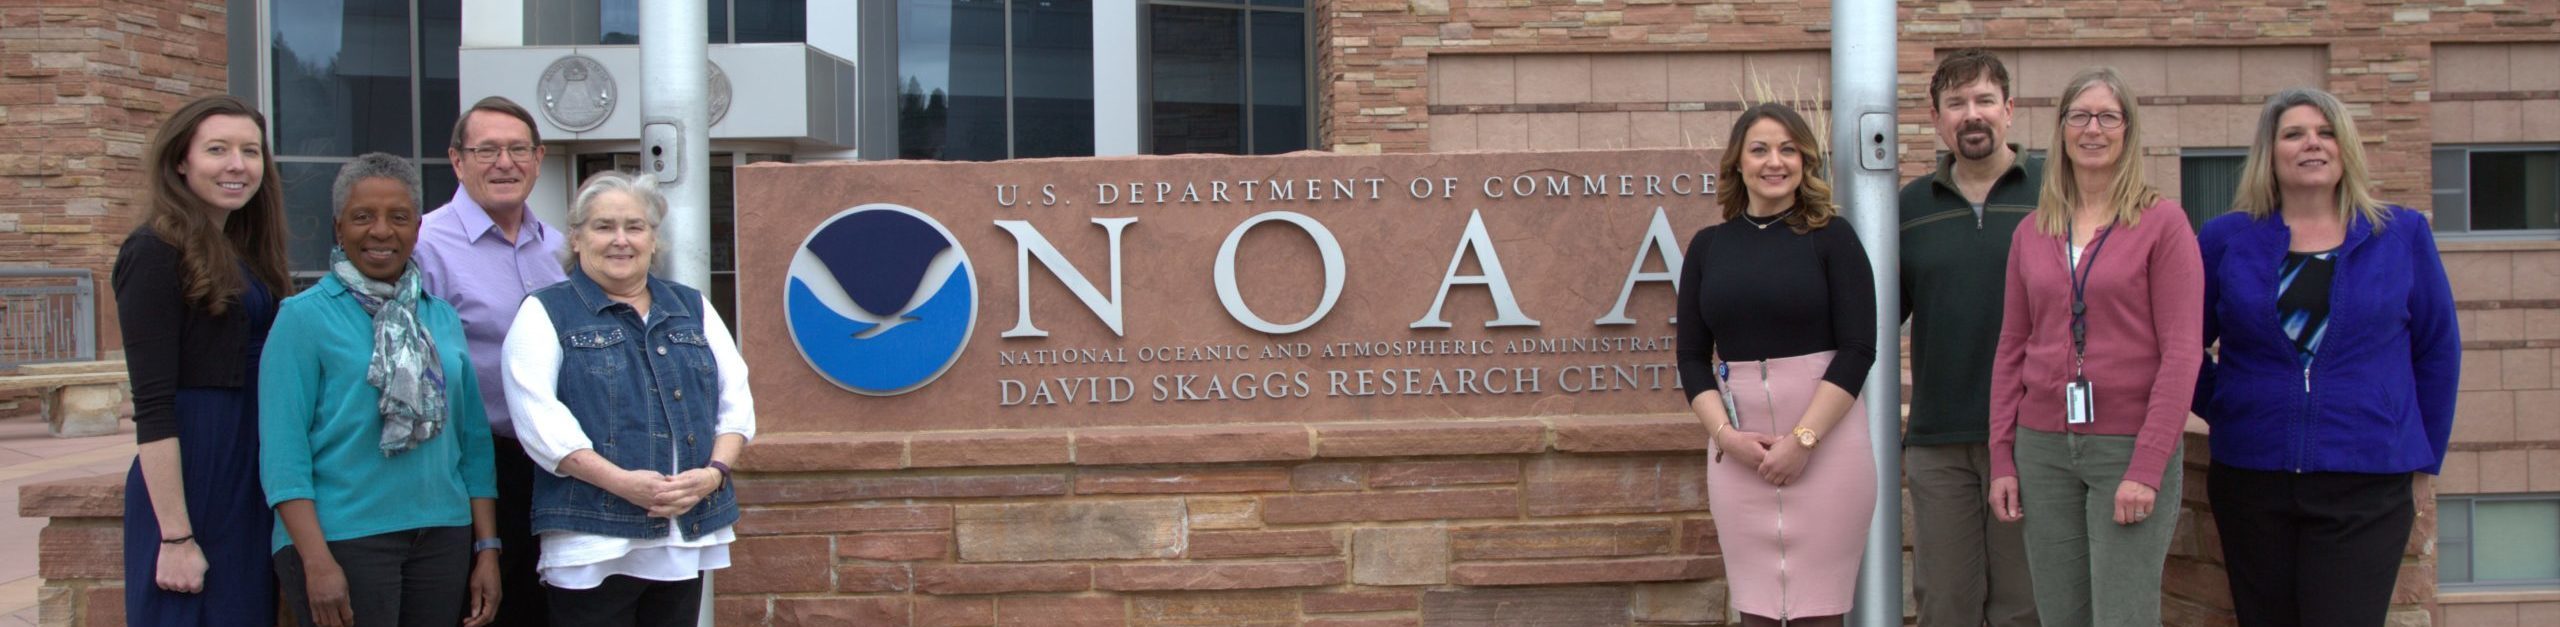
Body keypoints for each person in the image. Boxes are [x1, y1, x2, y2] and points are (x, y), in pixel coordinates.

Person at [2195, 87, 2460, 627]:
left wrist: (2424, 457)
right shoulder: (2227, 239)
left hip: (2367, 481)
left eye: (2326, 132)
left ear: (2346, 149)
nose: (2312, 144)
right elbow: (2179, 344)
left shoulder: (2400, 234)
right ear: (2271, 152)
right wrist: (2225, 405)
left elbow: (2437, 349)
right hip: (2252, 477)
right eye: (2294, 133)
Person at [1985, 67, 2203, 627]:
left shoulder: (2162, 224)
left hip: (2125, 447)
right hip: (2043, 449)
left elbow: (2183, 353)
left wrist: (2148, 464)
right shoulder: (2033, 231)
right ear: (2061, 130)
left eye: (2108, 117)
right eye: (2079, 116)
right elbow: (2012, 347)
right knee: (2060, 614)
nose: (2093, 129)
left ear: (2128, 130)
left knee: (2123, 616)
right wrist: (2003, 456)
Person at [259, 153, 502, 627]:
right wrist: (315, 561)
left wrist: (487, 548)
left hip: (442, 537)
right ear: (338, 228)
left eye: (398, 217)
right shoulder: (303, 318)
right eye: (362, 217)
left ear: (417, 229)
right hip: (342, 540)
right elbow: (283, 456)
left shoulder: (441, 317)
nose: (381, 231)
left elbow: (473, 444)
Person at [501, 172, 752, 626]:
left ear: (654, 240)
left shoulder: (691, 307)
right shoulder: (544, 312)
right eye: (603, 227)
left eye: (635, 227)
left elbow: (736, 405)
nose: (621, 240)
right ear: (576, 239)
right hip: (592, 542)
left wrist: (713, 475)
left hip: (681, 535)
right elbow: (540, 423)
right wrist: (623, 484)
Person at [1676, 102, 1879, 627]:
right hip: (1739, 453)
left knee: (1819, 612)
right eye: (1760, 149)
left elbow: (1859, 348)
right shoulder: (1707, 248)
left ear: (1805, 161)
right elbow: (1692, 357)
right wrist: (1725, 437)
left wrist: (1803, 440)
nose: (1775, 161)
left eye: (1788, 149)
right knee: (1758, 613)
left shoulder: (1833, 239)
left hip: (1827, 448)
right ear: (1738, 163)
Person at [113, 94, 294, 625]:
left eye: (250, 151)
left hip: (247, 463)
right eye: (218, 149)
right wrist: (176, 535)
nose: (238, 165)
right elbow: (153, 404)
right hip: (197, 470)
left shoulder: (240, 249)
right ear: (180, 161)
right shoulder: (152, 251)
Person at [1896, 48, 2042, 627]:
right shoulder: (1908, 207)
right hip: (1939, 438)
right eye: (1956, 103)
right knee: (1944, 603)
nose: (1971, 115)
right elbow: (1879, 316)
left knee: (2025, 606)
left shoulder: (2054, 194)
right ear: (1936, 119)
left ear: (2009, 110)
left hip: (2037, 436)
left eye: (1984, 100)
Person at [412, 96, 568, 626]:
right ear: (457, 160)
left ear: (538, 156)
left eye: (518, 148)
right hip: (466, 469)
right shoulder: (424, 246)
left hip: (555, 466)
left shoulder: (561, 250)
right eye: (487, 150)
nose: (505, 162)